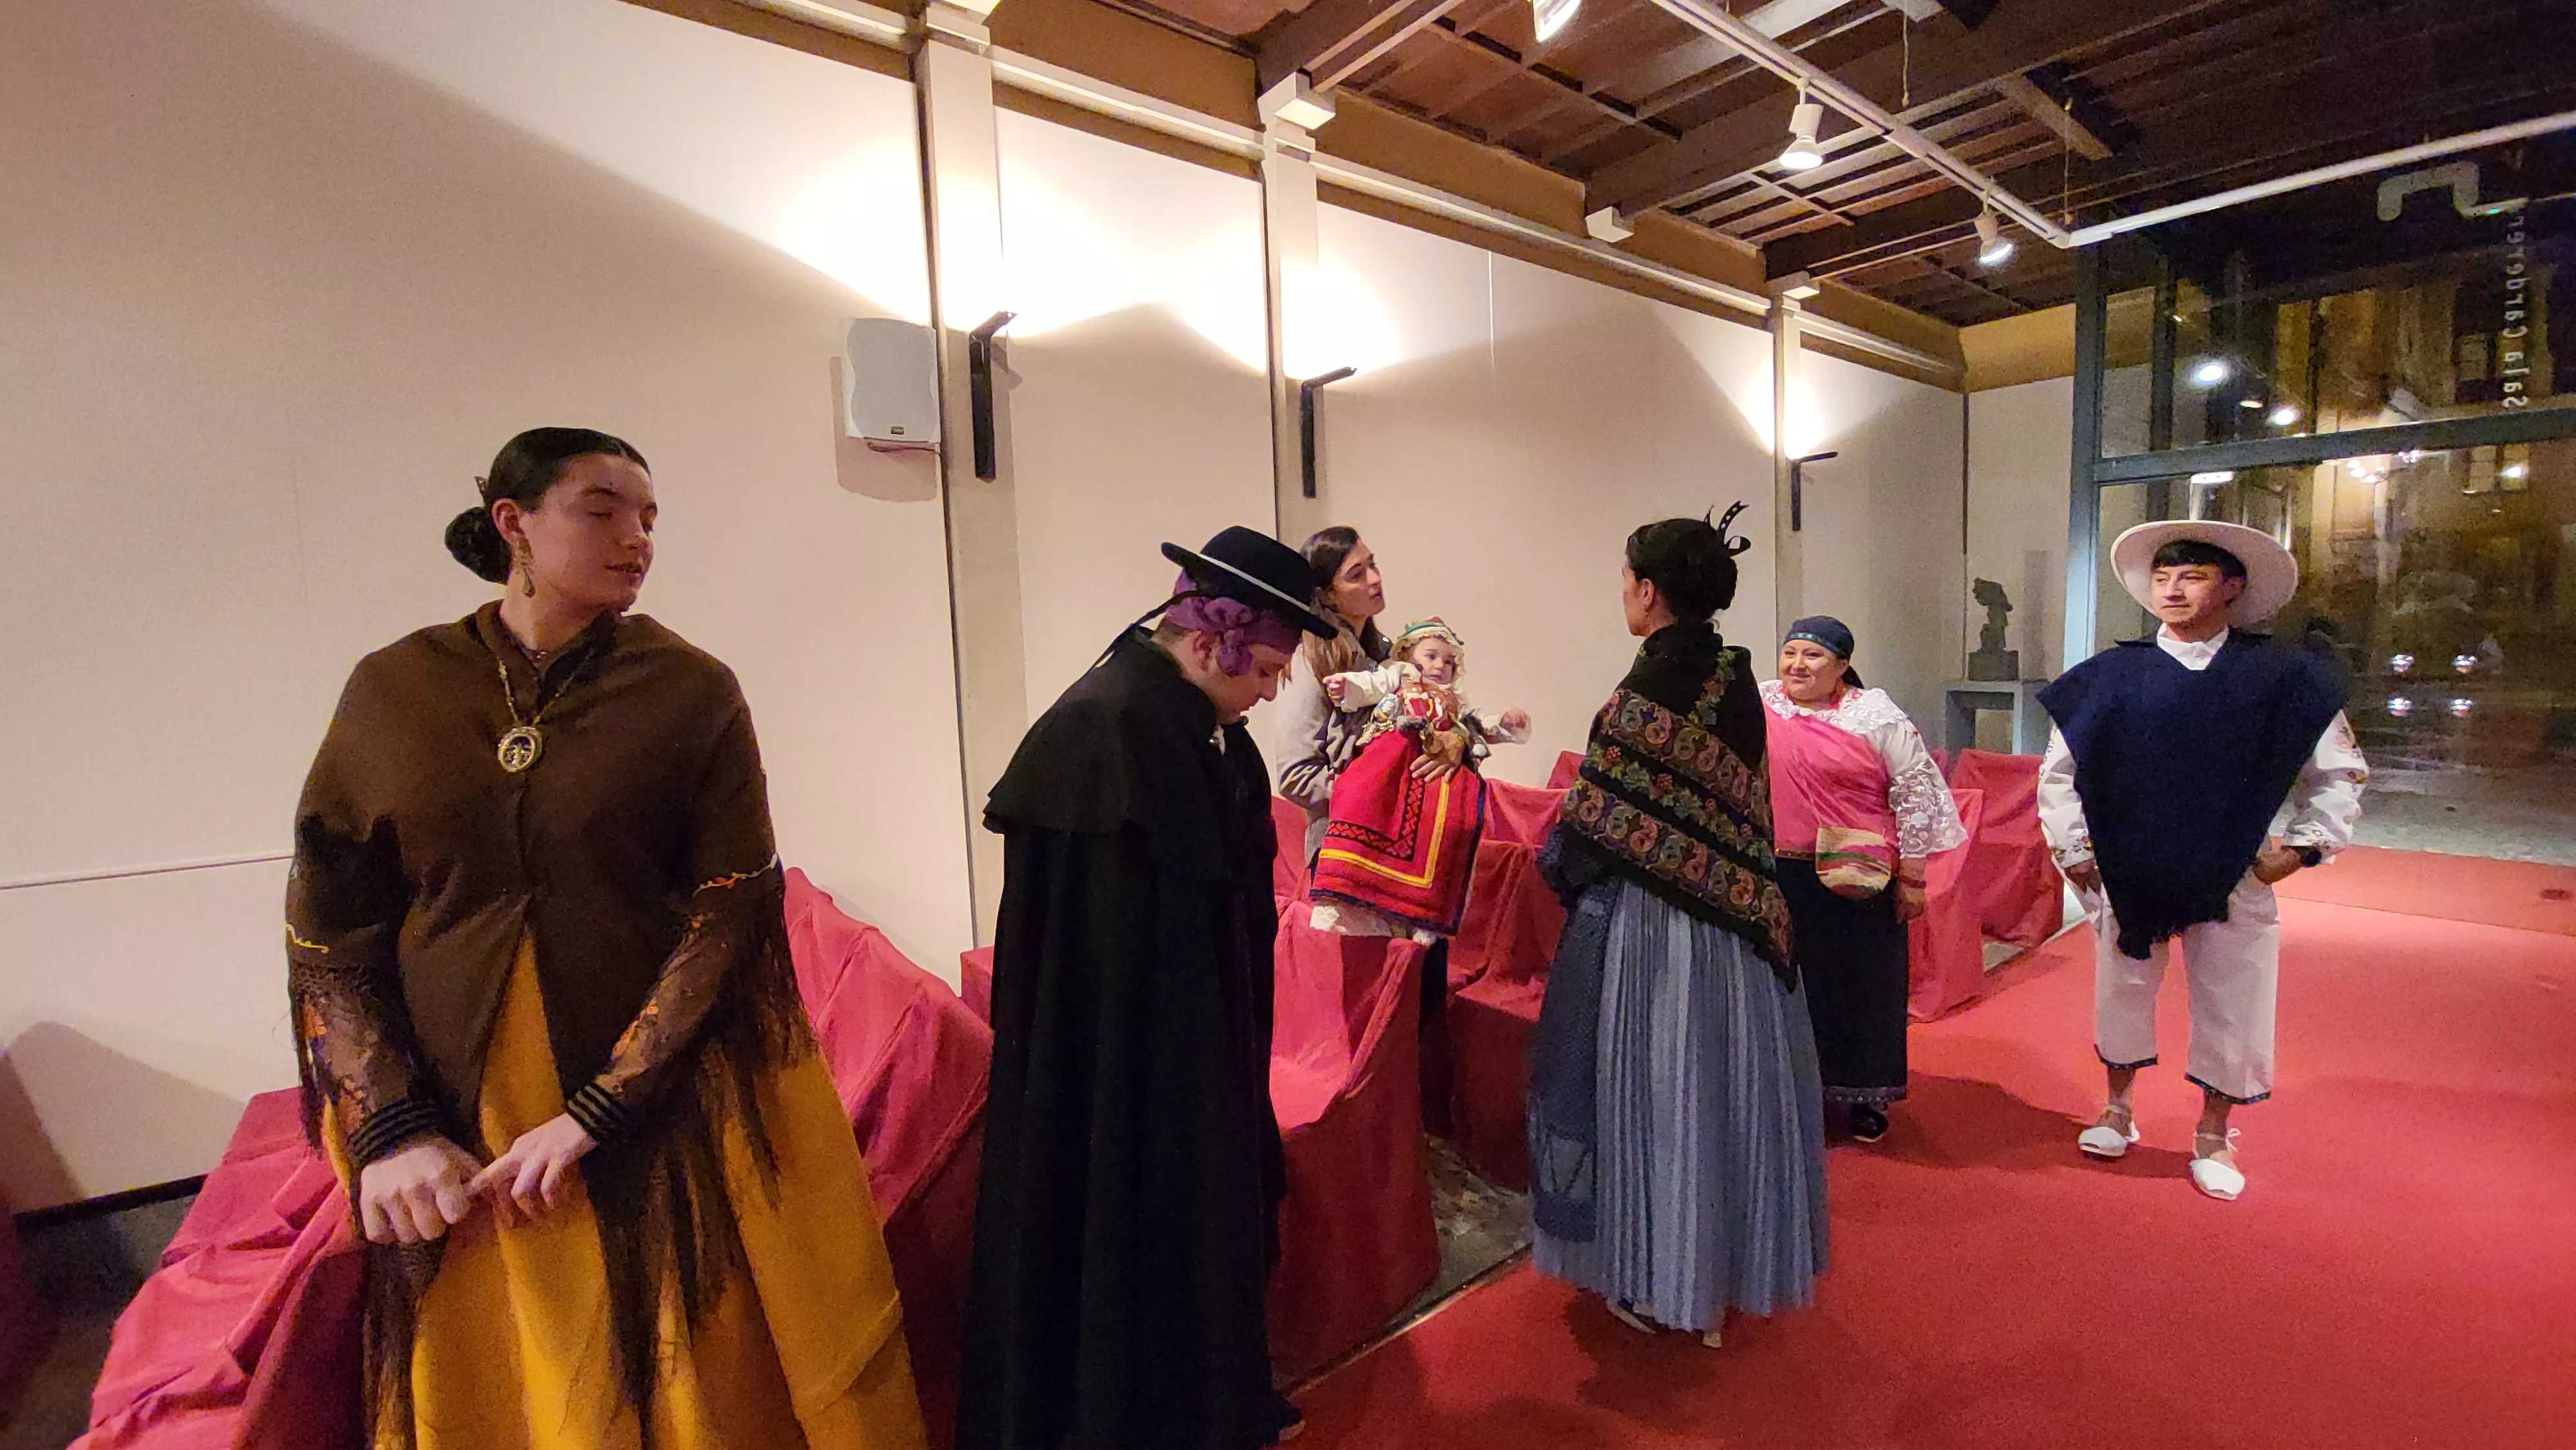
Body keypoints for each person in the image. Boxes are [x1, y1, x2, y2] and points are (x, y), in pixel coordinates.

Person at [287, 428, 925, 1449]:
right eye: (603, 509)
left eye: (649, 519)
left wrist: (597, 1112)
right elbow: (331, 928)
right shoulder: (394, 690)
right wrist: (388, 1126)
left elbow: (730, 910)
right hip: (460, 1097)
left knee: (677, 1367)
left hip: (658, 1087)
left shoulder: (688, 690)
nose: (637, 539)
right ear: (514, 525)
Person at [962, 526, 1336, 1450]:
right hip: (1124, 1073)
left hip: (1186, 1051)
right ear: (1217, 636)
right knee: (1126, 1231)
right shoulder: (1112, 728)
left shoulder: (1187, 721)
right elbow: (1109, 954)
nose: (1274, 687)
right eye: (1271, 665)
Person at [1526, 505, 1828, 1350]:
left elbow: (1591, 825)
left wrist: (1557, 870)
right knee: (1718, 1096)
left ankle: (1665, 1282)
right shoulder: (1736, 678)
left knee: (1652, 1096)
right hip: (1733, 927)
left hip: (1647, 933)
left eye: (1626, 579)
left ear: (1649, 592)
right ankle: (1714, 1270)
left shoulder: (1645, 692)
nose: (1623, 593)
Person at [2039, 520, 2368, 1202]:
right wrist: (2075, 852)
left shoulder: (2282, 675)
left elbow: (2337, 770)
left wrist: (2303, 846)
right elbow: (2057, 772)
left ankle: (2214, 1132)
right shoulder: (2109, 675)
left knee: (2234, 998)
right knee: (2121, 989)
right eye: (2161, 577)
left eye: (2190, 576)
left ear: (2232, 587)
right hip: (2127, 865)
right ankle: (2116, 1108)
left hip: (2232, 866)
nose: (2172, 588)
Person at [1760, 616, 1965, 1142]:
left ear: (1843, 666)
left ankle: (1866, 1097)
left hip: (1859, 874)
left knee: (1860, 989)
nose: (1797, 666)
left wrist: (1913, 876)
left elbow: (1916, 792)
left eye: (1813, 656)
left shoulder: (1873, 714)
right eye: (1790, 654)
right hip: (1777, 869)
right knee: (1788, 985)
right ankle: (1792, 1090)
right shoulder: (1763, 704)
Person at [1310, 617, 1533, 941]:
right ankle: (1349, 893)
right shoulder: (1402, 676)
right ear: (1408, 656)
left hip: (1434, 772)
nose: (1441, 666)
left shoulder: (1456, 702)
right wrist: (1349, 687)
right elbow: (1373, 684)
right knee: (1364, 799)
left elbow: (1480, 725)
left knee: (1450, 824)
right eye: (1431, 655)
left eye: (1449, 661)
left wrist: (1506, 724)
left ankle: (1426, 909)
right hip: (1393, 755)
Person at [1274, 526, 1390, 861]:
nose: (1374, 579)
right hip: (1341, 847)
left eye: (1373, 565)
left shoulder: (1388, 655)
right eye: (1357, 575)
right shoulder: (1309, 659)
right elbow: (1295, 775)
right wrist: (1374, 792)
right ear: (1325, 595)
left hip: (1396, 843)